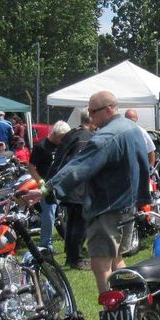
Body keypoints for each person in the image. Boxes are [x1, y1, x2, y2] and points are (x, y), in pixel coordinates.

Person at [28, 91, 150, 296]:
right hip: (127, 205)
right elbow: (144, 164)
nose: (90, 116)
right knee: (117, 258)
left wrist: (47, 189)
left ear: (109, 109)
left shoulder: (106, 137)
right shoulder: (133, 129)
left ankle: (112, 319)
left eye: (93, 111)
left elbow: (79, 166)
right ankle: (130, 310)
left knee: (100, 265)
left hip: (107, 208)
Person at [49, 110, 96, 270]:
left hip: (67, 186)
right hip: (78, 186)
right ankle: (76, 258)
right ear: (92, 120)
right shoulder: (86, 138)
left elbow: (59, 160)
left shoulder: (72, 134)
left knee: (71, 223)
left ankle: (71, 254)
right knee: (79, 224)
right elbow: (78, 163)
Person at [27, 120, 70, 252]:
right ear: (56, 134)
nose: (63, 140)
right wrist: (40, 181)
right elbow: (31, 166)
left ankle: (71, 242)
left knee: (64, 213)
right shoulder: (41, 146)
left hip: (61, 184)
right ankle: (46, 245)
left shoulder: (62, 145)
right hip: (46, 186)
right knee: (49, 215)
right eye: (62, 138)